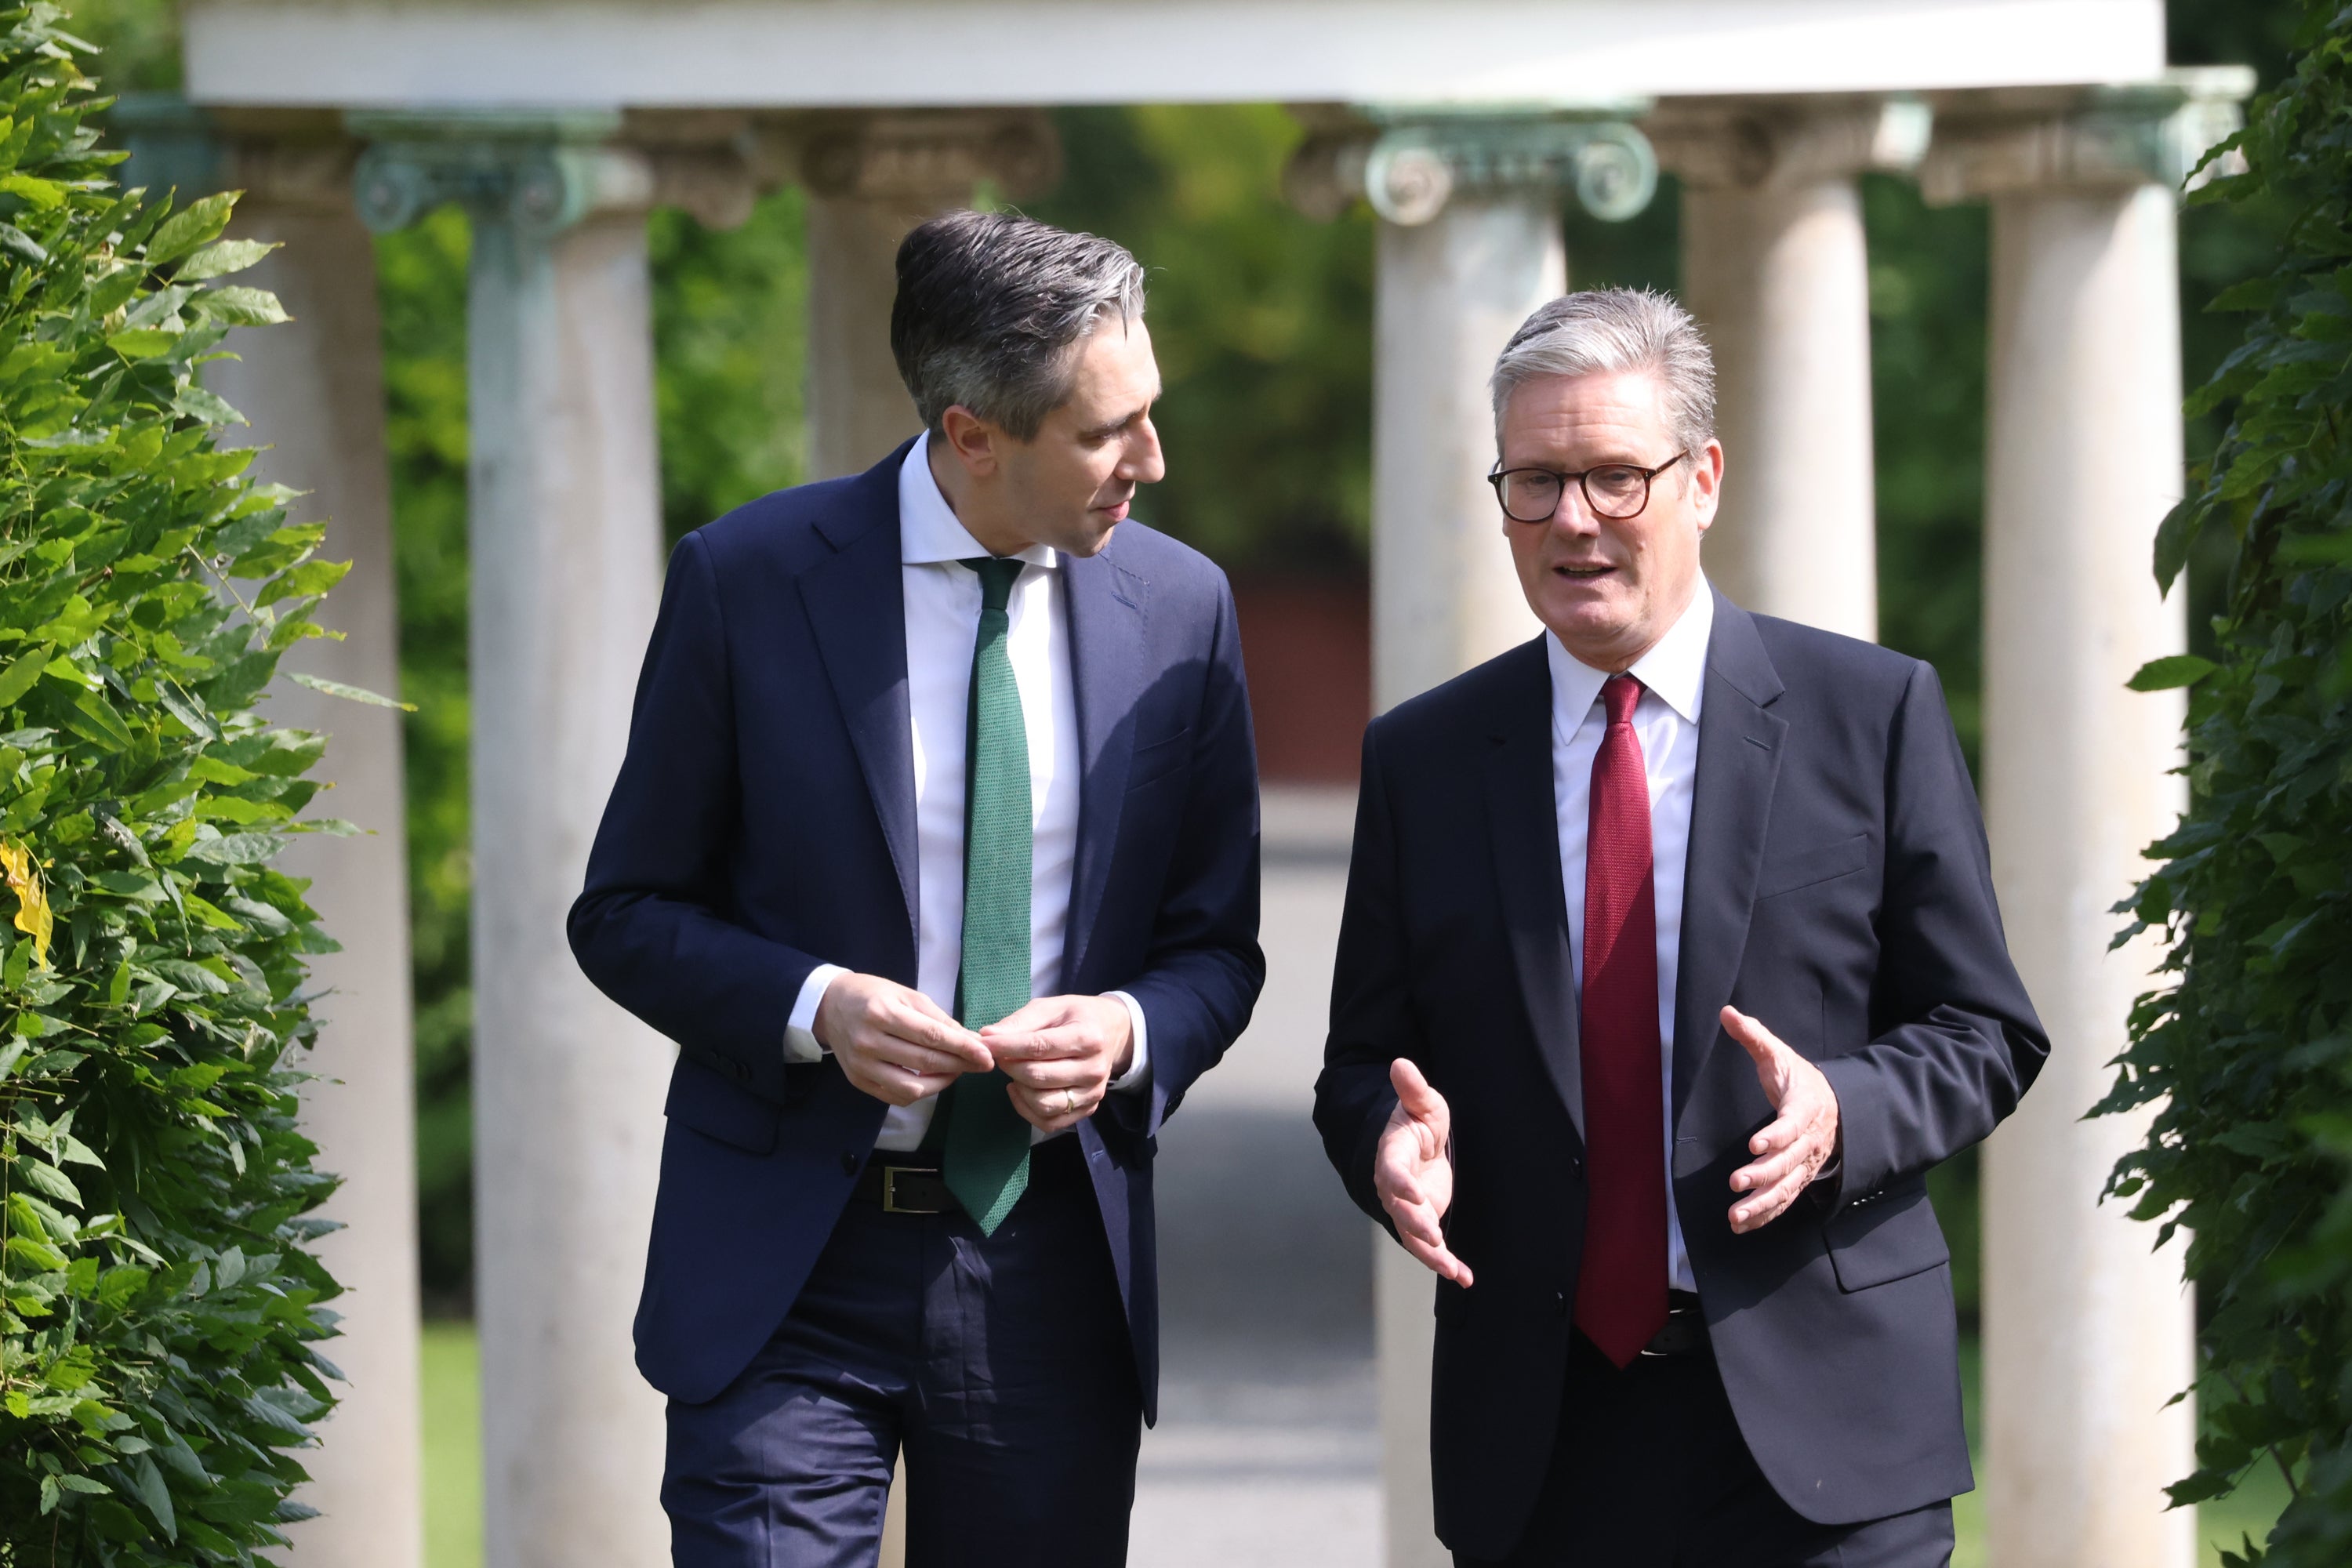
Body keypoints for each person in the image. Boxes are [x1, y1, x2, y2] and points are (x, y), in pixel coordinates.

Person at [569, 211, 1264, 1568]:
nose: (1152, 461)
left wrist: (1127, 1032)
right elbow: (625, 912)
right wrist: (813, 1005)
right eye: (1106, 431)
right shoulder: (747, 581)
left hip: (1053, 1269)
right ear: (971, 434)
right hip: (788, 1272)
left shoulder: (1185, 610)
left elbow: (1214, 952)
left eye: (1151, 415)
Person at [1313, 288, 2047, 1566]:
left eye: (1613, 476)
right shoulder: (1425, 759)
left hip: (1831, 1428)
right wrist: (1389, 1144)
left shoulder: (1869, 713)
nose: (1572, 520)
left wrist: (1842, 1112)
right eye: (1534, 482)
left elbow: (1985, 1030)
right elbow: (1359, 1065)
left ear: (1702, 479)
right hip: (1544, 1438)